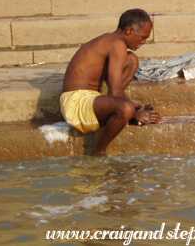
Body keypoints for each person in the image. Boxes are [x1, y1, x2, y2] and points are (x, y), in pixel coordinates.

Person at [60, 8, 162, 156]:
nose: (144, 42)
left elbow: (114, 90)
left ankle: (120, 112)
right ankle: (99, 151)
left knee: (132, 60)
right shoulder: (116, 44)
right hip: (76, 103)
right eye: (142, 37)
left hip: (92, 96)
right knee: (126, 108)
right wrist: (134, 113)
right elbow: (115, 92)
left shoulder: (113, 41)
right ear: (129, 31)